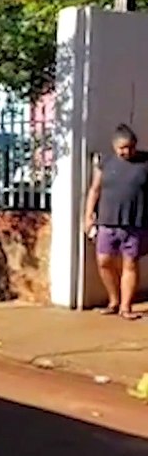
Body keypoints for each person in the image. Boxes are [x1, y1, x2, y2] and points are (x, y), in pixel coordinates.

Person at [84, 123, 148, 319]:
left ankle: (126, 307)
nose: (127, 151)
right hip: (107, 221)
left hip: (135, 222)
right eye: (122, 148)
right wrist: (88, 216)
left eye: (130, 147)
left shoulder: (145, 163)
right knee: (104, 261)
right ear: (114, 146)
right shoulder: (105, 163)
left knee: (130, 263)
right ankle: (114, 301)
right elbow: (95, 190)